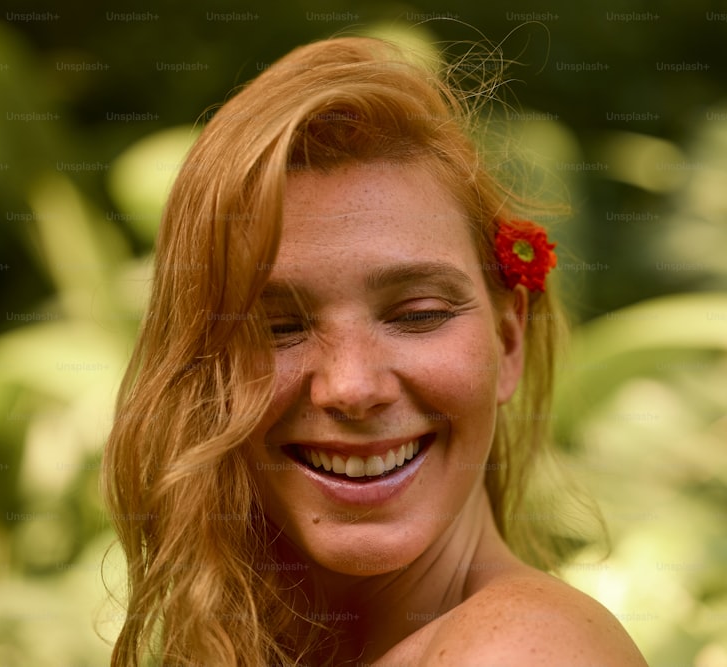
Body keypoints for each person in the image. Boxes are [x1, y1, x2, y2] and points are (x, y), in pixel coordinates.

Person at [102, 35, 648, 666]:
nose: (353, 387)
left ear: (508, 339)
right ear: (202, 370)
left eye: (418, 316)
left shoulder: (525, 648)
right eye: (278, 329)